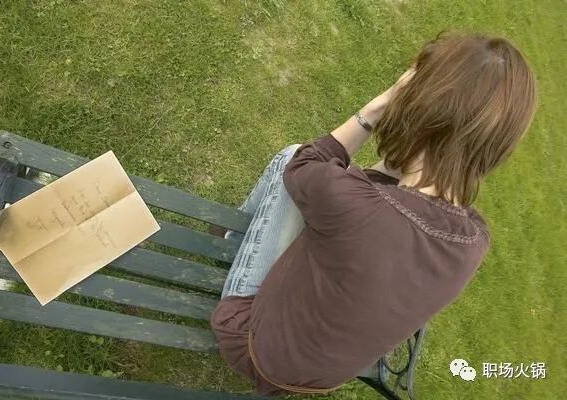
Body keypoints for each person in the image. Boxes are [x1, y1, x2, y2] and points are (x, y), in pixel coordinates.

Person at [209, 31, 538, 396]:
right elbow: (385, 190)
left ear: (419, 102)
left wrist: (380, 105)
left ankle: (229, 240)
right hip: (319, 380)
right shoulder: (476, 238)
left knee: (290, 156)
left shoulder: (358, 205)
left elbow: (307, 161)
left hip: (253, 346)